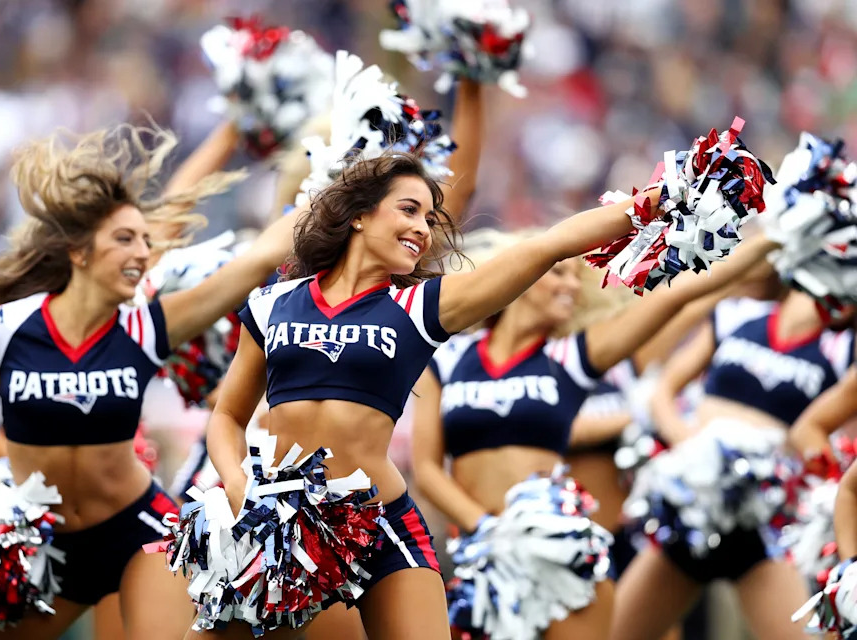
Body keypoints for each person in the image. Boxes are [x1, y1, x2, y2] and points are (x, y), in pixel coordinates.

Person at [193, 141, 732, 638]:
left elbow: (549, 246)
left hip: (378, 521)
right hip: (277, 522)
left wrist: (664, 197)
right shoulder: (272, 303)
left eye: (430, 219)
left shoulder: (420, 306)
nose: (423, 229)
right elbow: (227, 418)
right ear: (358, 214)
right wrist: (240, 490)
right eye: (409, 210)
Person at [0, 123, 297, 640]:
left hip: (136, 533)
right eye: (124, 239)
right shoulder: (8, 324)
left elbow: (256, 262)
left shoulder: (147, 326)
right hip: (43, 541)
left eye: (145, 240)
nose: (141, 252)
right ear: (79, 252)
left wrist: (332, 196)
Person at [410, 229, 779, 639]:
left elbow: (675, 298)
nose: (571, 286)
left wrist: (771, 238)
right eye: (559, 272)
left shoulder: (570, 357)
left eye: (576, 277)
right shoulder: (449, 356)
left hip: (560, 555)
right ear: (521, 273)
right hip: (484, 556)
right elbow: (427, 469)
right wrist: (487, 529)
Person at [608, 283, 856, 640]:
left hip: (765, 528)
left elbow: (827, 437)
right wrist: (693, 450)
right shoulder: (738, 314)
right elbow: (664, 389)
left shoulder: (844, 347)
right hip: (691, 515)